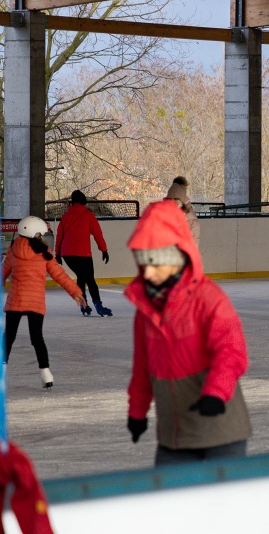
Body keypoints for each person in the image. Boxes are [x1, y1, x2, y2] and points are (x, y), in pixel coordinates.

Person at [125, 200, 252, 466]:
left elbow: (231, 351)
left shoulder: (207, 298)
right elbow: (142, 367)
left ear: (177, 255)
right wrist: (137, 411)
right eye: (143, 261)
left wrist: (216, 393)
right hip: (175, 436)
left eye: (157, 262)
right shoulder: (145, 310)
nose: (148, 271)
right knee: (170, 504)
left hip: (220, 431)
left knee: (223, 505)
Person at [4, 216, 87, 388]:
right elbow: (60, 274)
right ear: (36, 235)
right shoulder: (44, 253)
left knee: (8, 337)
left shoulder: (13, 250)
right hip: (35, 301)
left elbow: (2, 273)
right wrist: (76, 292)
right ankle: (46, 374)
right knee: (37, 338)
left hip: (16, 301)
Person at [54, 190, 111, 317]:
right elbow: (97, 234)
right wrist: (104, 250)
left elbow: (59, 236)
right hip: (83, 253)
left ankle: (84, 307)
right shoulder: (88, 215)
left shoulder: (66, 216)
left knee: (81, 277)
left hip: (67, 254)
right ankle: (99, 306)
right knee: (89, 279)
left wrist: (57, 253)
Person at [164, 176, 200, 248]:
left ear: (182, 201)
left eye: (175, 199)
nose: (172, 202)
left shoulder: (191, 221)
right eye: (169, 199)